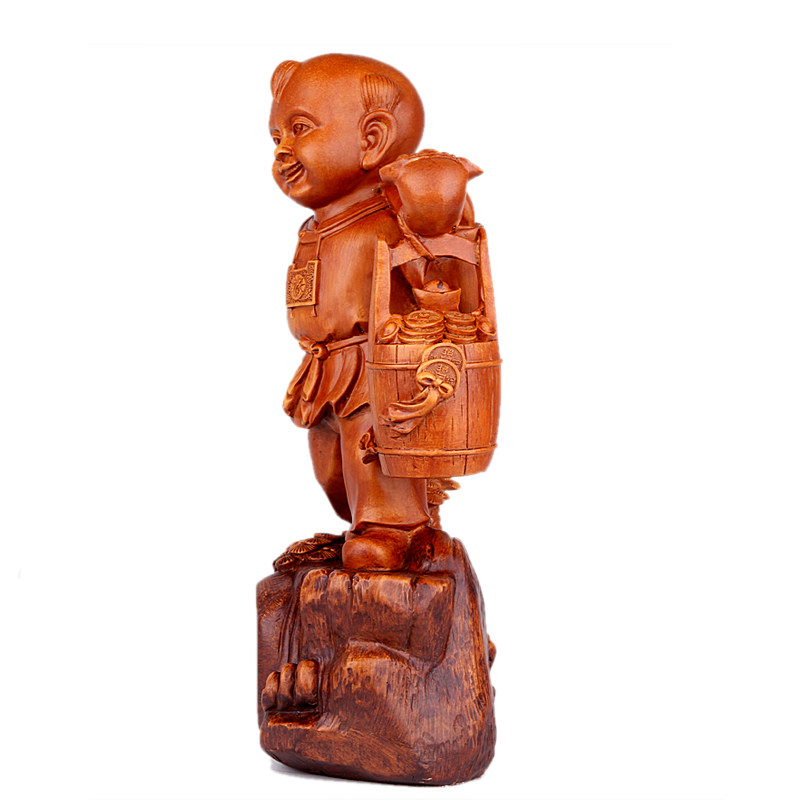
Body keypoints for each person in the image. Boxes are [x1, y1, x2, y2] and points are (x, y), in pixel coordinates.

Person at [269, 54, 436, 570]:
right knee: (332, 467)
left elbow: (435, 278)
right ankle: (360, 524)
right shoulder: (316, 227)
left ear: (372, 139)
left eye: (300, 129)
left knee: (371, 451)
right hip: (322, 364)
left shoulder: (392, 221)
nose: (282, 150)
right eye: (276, 137)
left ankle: (394, 527)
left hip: (372, 365)